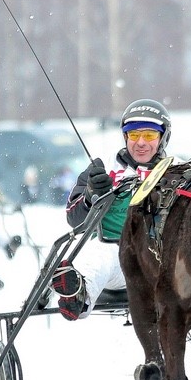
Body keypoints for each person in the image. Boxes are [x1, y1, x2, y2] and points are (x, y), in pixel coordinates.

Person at [51, 99, 171, 320]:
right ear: (125, 136)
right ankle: (77, 294)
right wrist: (90, 195)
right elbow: (73, 218)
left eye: (150, 135)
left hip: (166, 262)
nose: (141, 142)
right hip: (118, 261)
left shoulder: (178, 170)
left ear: (163, 137)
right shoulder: (102, 168)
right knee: (100, 254)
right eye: (134, 135)